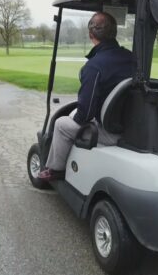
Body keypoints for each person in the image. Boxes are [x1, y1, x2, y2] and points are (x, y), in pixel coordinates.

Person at [38, 11, 135, 180]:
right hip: (132, 125)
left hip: (110, 131)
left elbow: (85, 114)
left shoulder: (94, 66)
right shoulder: (132, 58)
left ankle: (56, 170)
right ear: (114, 33)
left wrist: (80, 115)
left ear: (91, 34)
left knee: (62, 123)